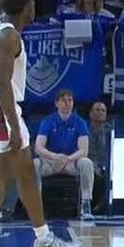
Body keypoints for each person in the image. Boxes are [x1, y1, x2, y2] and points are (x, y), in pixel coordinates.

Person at [0, 0, 81, 247]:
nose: (35, 8)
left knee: (15, 175)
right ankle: (34, 240)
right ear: (24, 7)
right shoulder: (8, 37)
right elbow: (3, 84)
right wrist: (14, 126)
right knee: (13, 175)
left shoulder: (5, 31)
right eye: (31, 3)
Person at [33, 89, 96, 221]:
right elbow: (38, 147)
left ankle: (86, 205)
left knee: (86, 162)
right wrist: (55, 157)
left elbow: (83, 150)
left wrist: (67, 159)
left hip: (71, 162)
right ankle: (36, 206)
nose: (67, 103)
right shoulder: (48, 121)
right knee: (35, 164)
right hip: (51, 162)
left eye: (70, 100)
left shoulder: (80, 122)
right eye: (63, 100)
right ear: (56, 103)